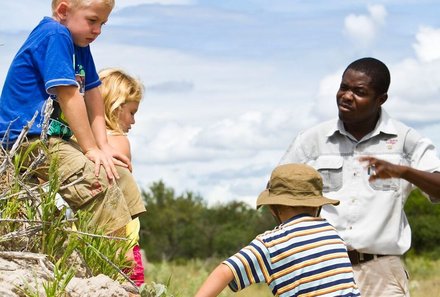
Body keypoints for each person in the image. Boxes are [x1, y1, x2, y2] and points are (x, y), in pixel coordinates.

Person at [280, 57, 440, 296]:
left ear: (381, 99)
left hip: (382, 273)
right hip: (323, 269)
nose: (346, 96)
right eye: (343, 87)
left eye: (359, 91)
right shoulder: (311, 140)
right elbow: (279, 195)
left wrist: (403, 171)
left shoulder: (406, 140)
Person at [0, 0, 146, 235]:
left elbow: (92, 92)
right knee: (97, 179)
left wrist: (103, 146)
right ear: (63, 11)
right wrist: (90, 148)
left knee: (119, 175)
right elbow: (70, 94)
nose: (97, 30)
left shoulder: (79, 45)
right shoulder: (55, 34)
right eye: (92, 21)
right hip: (28, 139)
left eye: (103, 24)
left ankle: (129, 245)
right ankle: (116, 255)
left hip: (54, 139)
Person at [195, 163, 360, 297]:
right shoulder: (331, 233)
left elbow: (224, 271)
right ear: (318, 205)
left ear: (273, 208)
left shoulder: (270, 243)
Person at [99, 68, 145, 286]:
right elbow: (114, 196)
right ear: (116, 108)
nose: (133, 122)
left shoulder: (82, 140)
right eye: (132, 113)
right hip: (120, 240)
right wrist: (123, 248)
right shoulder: (118, 142)